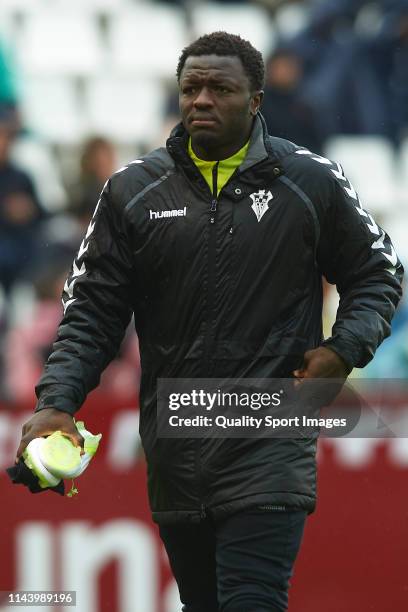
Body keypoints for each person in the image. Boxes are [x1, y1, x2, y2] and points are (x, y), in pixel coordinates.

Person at [15, 32, 403, 611]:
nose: (200, 100)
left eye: (219, 88)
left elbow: (378, 273)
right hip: (178, 441)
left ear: (254, 101)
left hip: (269, 436)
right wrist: (56, 400)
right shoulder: (132, 192)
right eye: (190, 88)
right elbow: (92, 311)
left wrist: (342, 349)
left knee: (251, 599)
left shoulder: (311, 182)